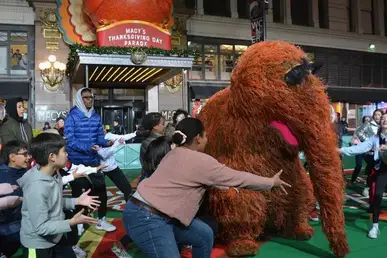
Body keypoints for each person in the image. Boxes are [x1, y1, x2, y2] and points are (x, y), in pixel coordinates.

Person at [123, 118, 290, 258]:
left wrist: (222, 184)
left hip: (148, 212)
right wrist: (271, 182)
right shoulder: (201, 160)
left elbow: (191, 178)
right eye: (206, 136)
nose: (208, 139)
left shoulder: (175, 153)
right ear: (197, 139)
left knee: (203, 234)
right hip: (147, 217)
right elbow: (239, 178)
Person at [17, 133, 100, 258]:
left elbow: (53, 202)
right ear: (52, 157)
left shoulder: (53, 174)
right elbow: (41, 228)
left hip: (55, 236)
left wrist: (76, 201)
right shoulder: (37, 188)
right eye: (64, 151)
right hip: (38, 245)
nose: (67, 154)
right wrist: (71, 222)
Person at [64, 87, 115, 232]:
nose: (90, 100)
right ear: (80, 99)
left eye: (92, 97)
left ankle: (101, 219)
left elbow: (99, 137)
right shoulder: (71, 117)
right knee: (79, 194)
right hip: (77, 163)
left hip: (93, 160)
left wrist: (105, 142)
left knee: (101, 191)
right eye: (87, 97)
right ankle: (78, 223)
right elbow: (70, 141)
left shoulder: (96, 117)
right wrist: (88, 147)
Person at [339, 112, 387, 239]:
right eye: (383, 118)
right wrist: (341, 150)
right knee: (377, 196)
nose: (384, 120)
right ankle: (375, 227)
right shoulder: (374, 139)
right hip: (381, 170)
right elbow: (358, 148)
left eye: (386, 118)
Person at [0, 140, 29, 257]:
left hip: (24, 223)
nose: (28, 158)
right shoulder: (2, 175)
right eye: (25, 154)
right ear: (12, 157)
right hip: (8, 228)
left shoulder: (27, 173)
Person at [349, 109, 382, 193]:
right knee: (366, 167)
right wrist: (369, 142)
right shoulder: (368, 124)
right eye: (375, 115)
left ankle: (376, 186)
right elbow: (359, 133)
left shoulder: (383, 125)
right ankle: (367, 187)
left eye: (379, 115)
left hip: (380, 151)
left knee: (379, 169)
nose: (377, 116)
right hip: (369, 151)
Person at [139, 112, 165, 181]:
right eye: (162, 124)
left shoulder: (147, 141)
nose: (164, 127)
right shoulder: (152, 142)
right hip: (154, 179)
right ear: (155, 126)